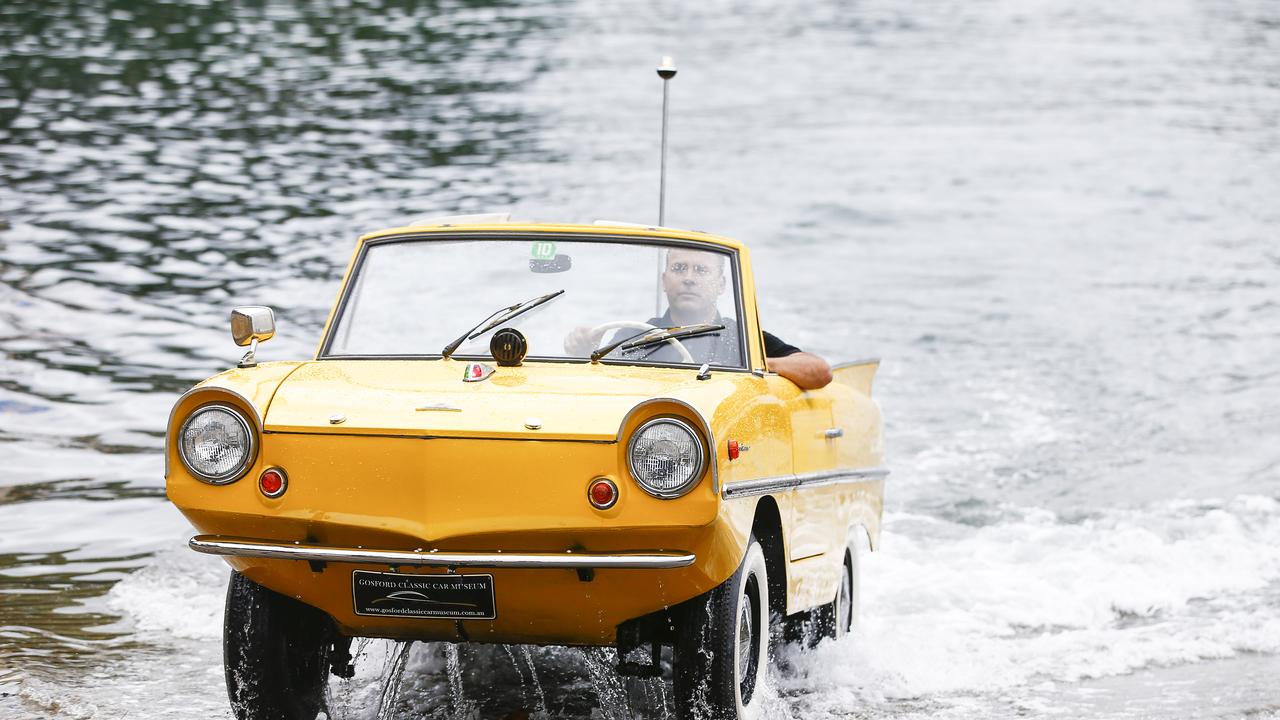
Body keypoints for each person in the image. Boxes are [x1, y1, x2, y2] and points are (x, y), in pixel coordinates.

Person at [564, 248, 833, 390]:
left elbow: (820, 371)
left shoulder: (742, 338)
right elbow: (601, 383)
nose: (689, 277)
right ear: (664, 281)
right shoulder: (633, 337)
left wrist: (760, 363)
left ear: (721, 284)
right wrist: (581, 351)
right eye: (679, 268)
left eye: (701, 270)